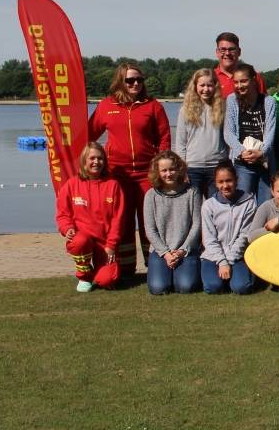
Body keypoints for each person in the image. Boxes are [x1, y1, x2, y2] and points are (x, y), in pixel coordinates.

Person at [88, 61, 171, 272]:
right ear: (120, 82)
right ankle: (125, 269)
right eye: (130, 80)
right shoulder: (107, 106)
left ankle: (153, 266)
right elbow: (89, 135)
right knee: (122, 222)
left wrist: (160, 167)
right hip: (117, 174)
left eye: (139, 80)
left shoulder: (153, 106)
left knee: (149, 222)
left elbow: (164, 138)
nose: (135, 84)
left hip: (147, 174)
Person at [55, 142, 126, 292]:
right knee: (80, 241)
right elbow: (63, 214)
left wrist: (111, 246)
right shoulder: (71, 184)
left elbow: (118, 220)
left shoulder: (113, 185)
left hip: (104, 244)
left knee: (107, 281)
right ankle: (84, 275)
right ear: (84, 161)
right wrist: (67, 229)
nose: (96, 162)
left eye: (100, 159)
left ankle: (99, 271)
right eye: (92, 158)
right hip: (83, 240)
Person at [142, 150, 202, 295]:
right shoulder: (151, 195)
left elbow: (197, 225)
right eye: (164, 170)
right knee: (158, 288)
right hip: (161, 251)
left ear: (179, 169)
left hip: (185, 250)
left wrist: (182, 250)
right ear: (158, 172)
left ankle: (182, 273)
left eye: (172, 169)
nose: (168, 174)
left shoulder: (192, 192)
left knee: (185, 286)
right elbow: (150, 229)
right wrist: (166, 254)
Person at [200, 160, 257, 295]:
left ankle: (241, 277)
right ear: (215, 183)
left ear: (237, 180)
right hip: (213, 256)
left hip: (238, 255)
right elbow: (209, 239)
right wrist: (222, 261)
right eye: (220, 182)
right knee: (212, 287)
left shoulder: (249, 203)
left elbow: (244, 235)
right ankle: (218, 277)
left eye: (229, 180)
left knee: (241, 288)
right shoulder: (208, 206)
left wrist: (229, 261)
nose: (225, 185)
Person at [223, 62, 276, 204]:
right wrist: (241, 151)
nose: (240, 86)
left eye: (244, 81)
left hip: (264, 162)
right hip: (242, 162)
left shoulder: (268, 101)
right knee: (243, 204)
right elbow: (228, 133)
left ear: (253, 79)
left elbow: (271, 132)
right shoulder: (232, 100)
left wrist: (262, 152)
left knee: (265, 205)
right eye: (236, 82)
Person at [174, 69, 227, 199]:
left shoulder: (222, 108)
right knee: (194, 210)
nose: (206, 89)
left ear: (215, 86)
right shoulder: (185, 110)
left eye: (209, 85)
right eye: (202, 85)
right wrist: (182, 169)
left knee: (216, 209)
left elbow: (228, 138)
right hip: (192, 168)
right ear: (195, 86)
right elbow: (180, 143)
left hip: (216, 167)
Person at [212, 32, 266, 97]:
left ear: (239, 51)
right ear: (217, 52)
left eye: (231, 49)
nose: (227, 53)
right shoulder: (210, 78)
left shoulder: (254, 77)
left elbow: (264, 104)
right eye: (223, 49)